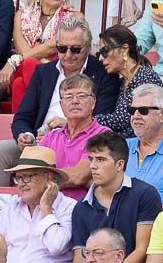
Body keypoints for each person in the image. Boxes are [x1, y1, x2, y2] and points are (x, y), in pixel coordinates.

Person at [0, 147, 77, 263]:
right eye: (18, 177)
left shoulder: (70, 208)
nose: (21, 183)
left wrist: (46, 208)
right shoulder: (10, 208)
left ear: (49, 179)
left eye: (28, 176)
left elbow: (57, 246)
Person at [67, 132, 162, 263]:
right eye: (91, 159)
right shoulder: (81, 207)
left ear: (119, 165)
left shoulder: (145, 194)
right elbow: (81, 258)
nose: (93, 166)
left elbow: (142, 249)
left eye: (101, 159)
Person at [31, 73, 115, 201]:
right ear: (61, 104)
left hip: (82, 210)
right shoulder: (49, 138)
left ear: (93, 102)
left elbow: (77, 176)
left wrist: (44, 180)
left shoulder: (103, 135)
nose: (75, 101)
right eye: (69, 97)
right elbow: (33, 175)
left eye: (81, 96)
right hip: (45, 205)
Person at [1, 0, 76, 100]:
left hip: (59, 73)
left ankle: (24, 120)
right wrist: (37, 59)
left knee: (20, 82)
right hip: (29, 70)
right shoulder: (21, 16)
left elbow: (54, 45)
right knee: (28, 67)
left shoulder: (74, 17)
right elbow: (21, 48)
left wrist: (14, 60)